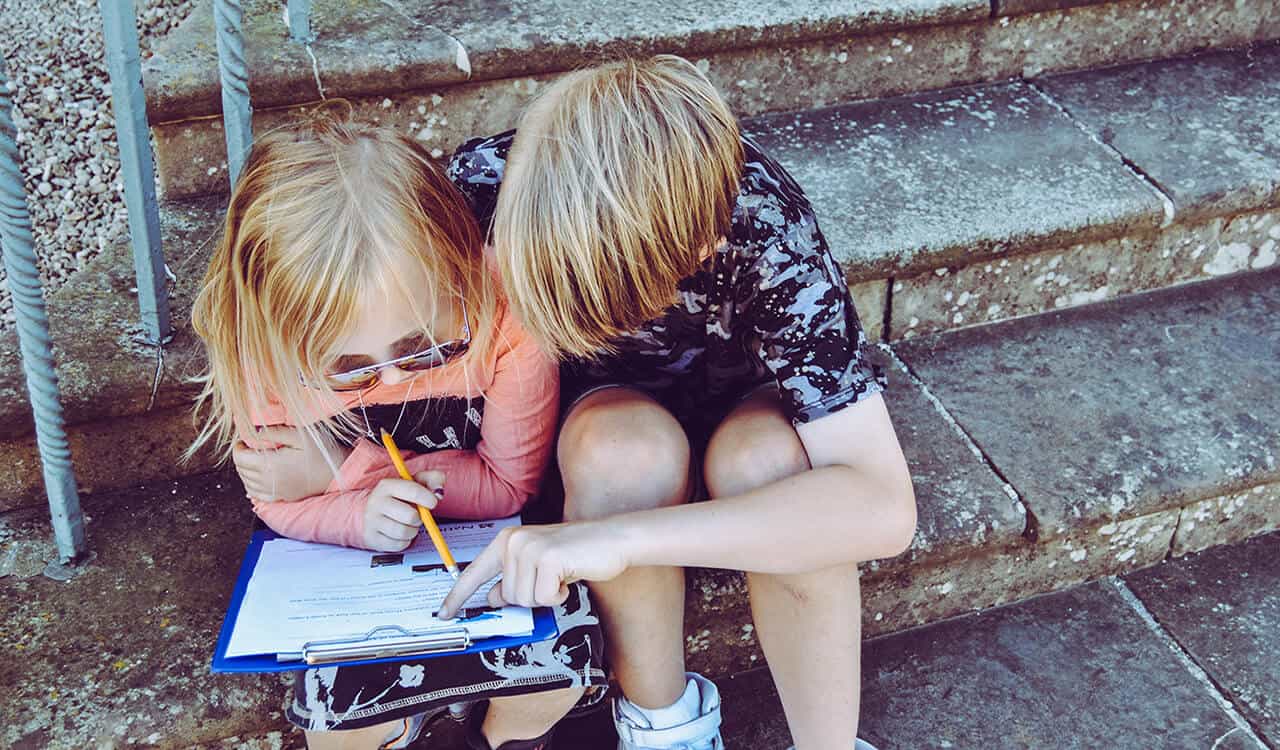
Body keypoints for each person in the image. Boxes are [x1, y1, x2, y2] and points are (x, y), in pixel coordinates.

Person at [438, 56, 917, 750]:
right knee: (621, 454)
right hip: (601, 424)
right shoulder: (485, 186)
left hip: (744, 408)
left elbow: (882, 507)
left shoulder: (759, 224)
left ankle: (829, 743)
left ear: (700, 245)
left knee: (771, 464)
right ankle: (664, 726)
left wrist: (619, 539)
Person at [187, 117, 607, 750]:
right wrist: (356, 514)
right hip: (354, 574)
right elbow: (276, 501)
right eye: (346, 370)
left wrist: (339, 470)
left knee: (551, 678)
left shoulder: (507, 314)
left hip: (492, 548)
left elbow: (507, 486)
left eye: (423, 349)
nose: (391, 379)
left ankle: (494, 740)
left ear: (462, 268)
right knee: (342, 731)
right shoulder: (259, 350)